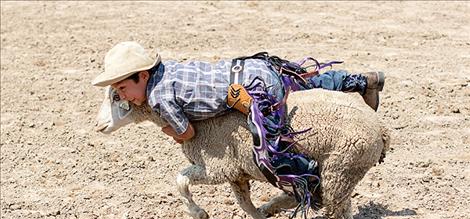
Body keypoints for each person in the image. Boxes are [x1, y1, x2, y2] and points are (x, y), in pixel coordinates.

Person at [92, 41, 385, 144]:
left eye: (122, 88)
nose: (125, 97)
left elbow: (188, 133)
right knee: (302, 83)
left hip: (249, 89)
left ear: (142, 76)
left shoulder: (158, 97)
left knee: (275, 139)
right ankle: (358, 81)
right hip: (249, 67)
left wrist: (166, 129)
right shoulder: (167, 68)